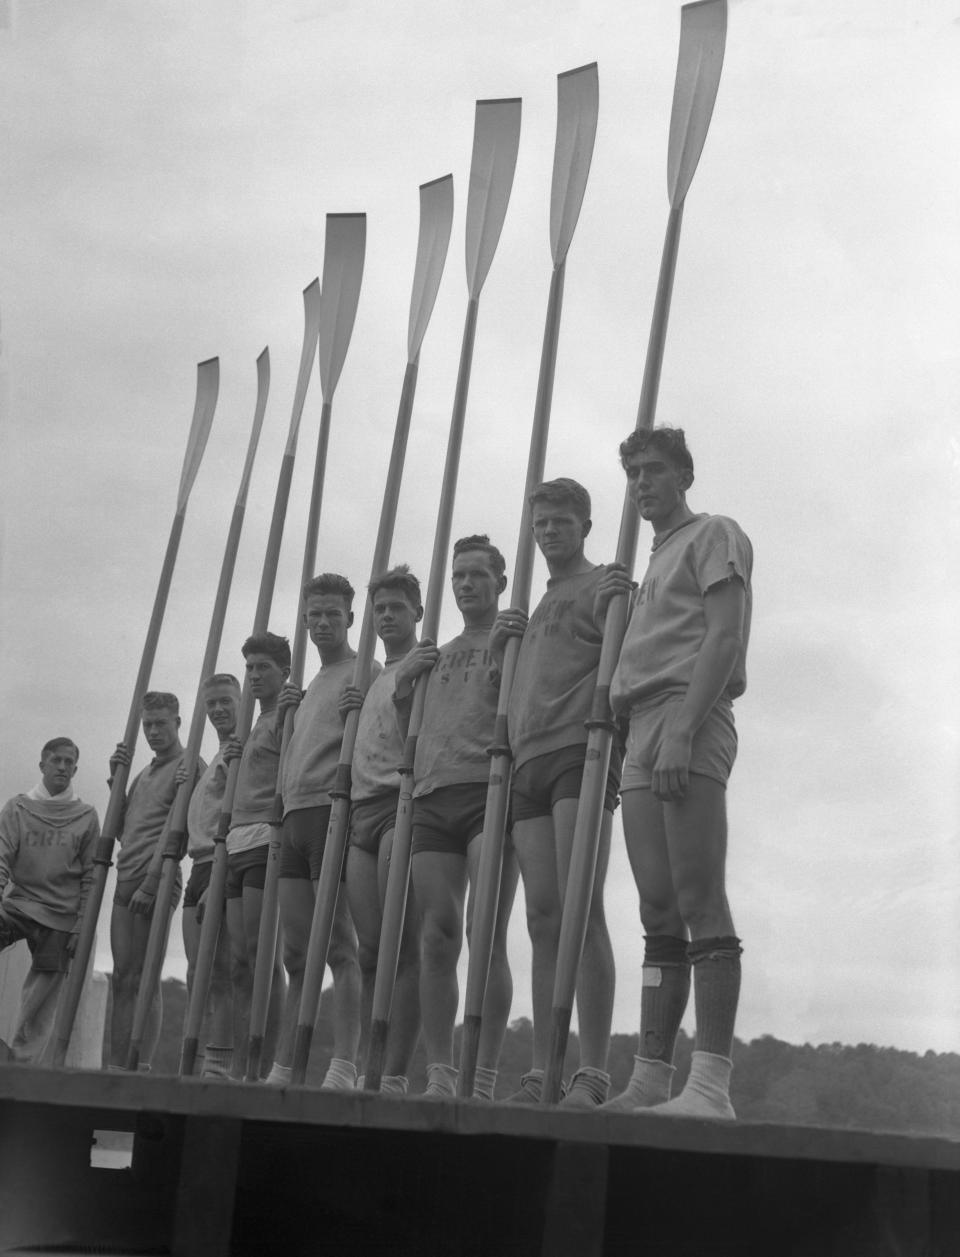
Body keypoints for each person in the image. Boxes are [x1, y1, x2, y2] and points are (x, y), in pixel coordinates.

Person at [599, 425, 752, 1120]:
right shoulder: (651, 562)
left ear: (684, 474)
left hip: (689, 711)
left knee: (698, 898)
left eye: (654, 470)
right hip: (639, 728)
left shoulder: (713, 533)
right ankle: (652, 1075)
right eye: (633, 473)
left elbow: (724, 634)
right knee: (656, 907)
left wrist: (686, 727)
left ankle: (711, 1083)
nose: (641, 483)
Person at [491, 478, 620, 1106]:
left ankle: (592, 1070)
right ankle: (545, 1066)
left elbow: (629, 659)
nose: (549, 533)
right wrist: (498, 646)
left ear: (585, 526)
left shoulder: (606, 586)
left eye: (562, 522)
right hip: (527, 763)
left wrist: (630, 603)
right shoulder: (532, 607)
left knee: (579, 905)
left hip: (580, 750)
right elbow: (505, 688)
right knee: (542, 917)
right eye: (541, 524)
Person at [397, 536, 519, 1100]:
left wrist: (510, 653)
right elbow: (405, 738)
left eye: (477, 575)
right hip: (432, 794)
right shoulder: (434, 654)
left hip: (488, 790)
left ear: (500, 580)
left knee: (484, 931)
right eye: (458, 576)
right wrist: (403, 688)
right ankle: (441, 1070)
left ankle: (484, 1073)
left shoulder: (513, 640)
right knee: (436, 936)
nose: (466, 584)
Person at [271, 573, 365, 1090]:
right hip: (292, 818)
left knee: (340, 947)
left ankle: (345, 1064)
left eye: (332, 613)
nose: (322, 623)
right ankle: (286, 1065)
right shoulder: (304, 691)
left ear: (350, 617)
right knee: (294, 953)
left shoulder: (363, 669)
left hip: (333, 812)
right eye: (314, 615)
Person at [344, 564, 423, 1094]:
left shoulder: (422, 663)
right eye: (380, 609)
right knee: (369, 951)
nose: (387, 616)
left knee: (406, 947)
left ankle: (394, 1072)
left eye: (396, 607)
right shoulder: (369, 677)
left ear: (417, 611)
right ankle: (366, 1068)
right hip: (359, 811)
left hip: (401, 804)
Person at [109, 692, 199, 1070]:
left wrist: (151, 881)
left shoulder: (188, 765)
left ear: (178, 723)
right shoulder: (144, 773)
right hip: (126, 874)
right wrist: (115, 780)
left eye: (161, 723)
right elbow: (119, 831)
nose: (153, 731)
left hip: (157, 878)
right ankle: (116, 1065)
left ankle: (140, 1065)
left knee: (146, 977)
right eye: (148, 724)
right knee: (122, 977)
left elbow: (180, 833)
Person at [0, 738, 100, 1063]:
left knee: (43, 993)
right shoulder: (17, 808)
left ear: (75, 769)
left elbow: (91, 875)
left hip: (61, 915)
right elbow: (1, 856)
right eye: (56, 760)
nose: (62, 767)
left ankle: (21, 1063)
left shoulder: (86, 816)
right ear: (42, 764)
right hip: (19, 905)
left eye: (69, 762)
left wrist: (82, 923)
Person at [223, 632, 289, 1081]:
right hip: (235, 841)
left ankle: (263, 1065)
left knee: (263, 954)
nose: (254, 676)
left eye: (262, 667)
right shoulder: (252, 724)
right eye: (249, 668)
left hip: (267, 836)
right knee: (240, 961)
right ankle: (242, 1060)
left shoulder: (286, 711)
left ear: (282, 669)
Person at [179, 672, 241, 1079]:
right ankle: (195, 1058)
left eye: (225, 702)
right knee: (194, 972)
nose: (217, 709)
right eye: (211, 704)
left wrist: (220, 875)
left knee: (222, 970)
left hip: (224, 860)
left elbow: (239, 816)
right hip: (197, 866)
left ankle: (219, 1063)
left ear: (242, 701)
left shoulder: (241, 749)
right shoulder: (215, 756)